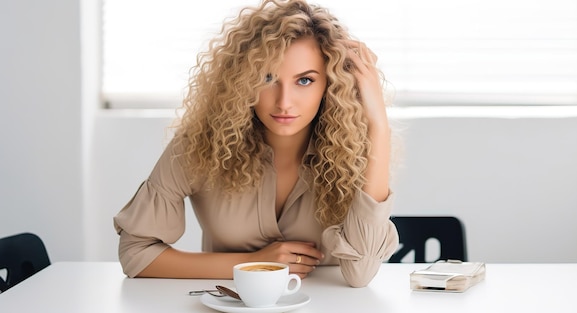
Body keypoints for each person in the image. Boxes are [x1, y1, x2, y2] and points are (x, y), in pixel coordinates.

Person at [113, 0, 398, 288]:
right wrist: (255, 265)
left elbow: (361, 272)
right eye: (268, 77)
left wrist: (379, 126)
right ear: (242, 79)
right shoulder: (200, 143)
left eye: (305, 81)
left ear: (330, 84)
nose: (284, 102)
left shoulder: (353, 151)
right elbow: (136, 254)